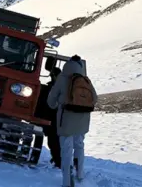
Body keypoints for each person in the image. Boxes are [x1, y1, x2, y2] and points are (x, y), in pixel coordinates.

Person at [47, 55, 97, 187]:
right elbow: (95, 98)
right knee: (79, 144)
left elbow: (51, 100)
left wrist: (56, 105)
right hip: (83, 119)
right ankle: (80, 174)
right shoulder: (85, 79)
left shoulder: (62, 78)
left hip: (66, 118)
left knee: (66, 149)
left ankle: (67, 182)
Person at [46, 67, 62, 168]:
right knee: (55, 141)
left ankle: (58, 161)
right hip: (57, 118)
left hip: (54, 118)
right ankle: (58, 159)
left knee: (54, 141)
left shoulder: (54, 88)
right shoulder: (63, 87)